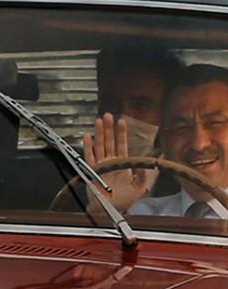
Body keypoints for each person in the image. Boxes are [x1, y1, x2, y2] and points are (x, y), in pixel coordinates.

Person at [125, 63, 228, 226]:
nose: (198, 144)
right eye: (181, 127)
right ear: (163, 140)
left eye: (215, 123)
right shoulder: (140, 219)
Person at [76, 43, 180, 209]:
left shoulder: (189, 184)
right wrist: (99, 211)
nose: (123, 118)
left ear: (167, 111)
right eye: (111, 103)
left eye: (140, 105)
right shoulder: (64, 173)